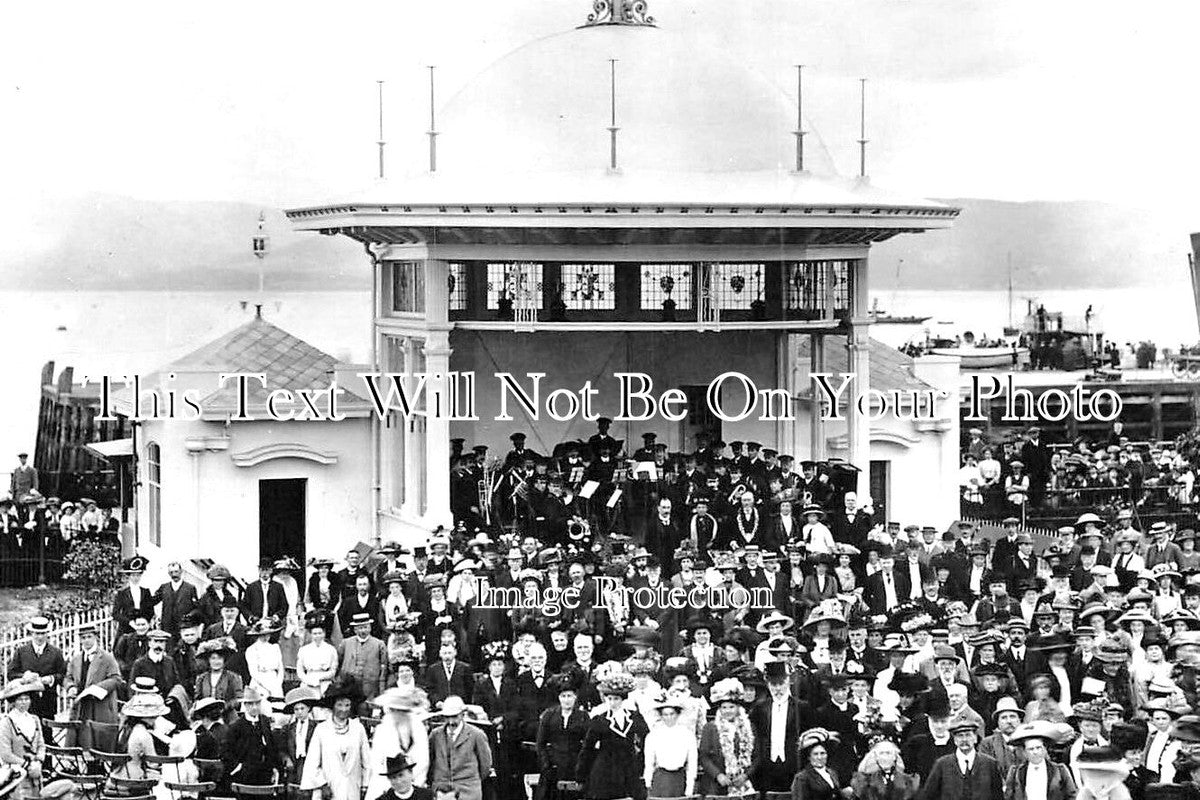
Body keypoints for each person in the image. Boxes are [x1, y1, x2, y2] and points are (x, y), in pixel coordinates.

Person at [300, 676, 372, 800]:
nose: (344, 709)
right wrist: (322, 785)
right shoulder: (322, 729)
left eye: (347, 705)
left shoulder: (358, 728)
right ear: (333, 706)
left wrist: (365, 786)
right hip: (329, 789)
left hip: (352, 789)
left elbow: (367, 761)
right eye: (339, 705)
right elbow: (312, 763)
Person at [63, 623, 122, 750]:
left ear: (96, 637)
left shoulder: (106, 658)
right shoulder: (76, 659)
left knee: (99, 742)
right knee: (80, 740)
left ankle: (98, 761)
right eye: (83, 638)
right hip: (81, 706)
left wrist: (97, 688)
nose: (86, 640)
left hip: (100, 705)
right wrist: (71, 687)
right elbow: (68, 677)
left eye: (89, 637)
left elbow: (116, 679)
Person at [365, 686, 430, 800]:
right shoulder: (382, 730)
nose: (399, 714)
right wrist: (393, 786)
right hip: (386, 784)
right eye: (396, 710)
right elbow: (377, 763)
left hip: (414, 784)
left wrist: (412, 784)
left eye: (403, 711)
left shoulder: (418, 728)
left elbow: (423, 761)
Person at [697, 677, 757, 797]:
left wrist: (745, 775)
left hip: (742, 783)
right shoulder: (710, 727)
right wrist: (718, 775)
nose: (727, 711)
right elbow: (704, 756)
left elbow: (757, 756)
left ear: (738, 708)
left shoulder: (749, 727)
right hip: (715, 784)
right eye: (724, 708)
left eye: (731, 707)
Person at [535, 673, 589, 800]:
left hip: (575, 766)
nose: (566, 700)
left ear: (575, 697)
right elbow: (540, 743)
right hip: (553, 767)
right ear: (559, 698)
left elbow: (588, 744)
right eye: (563, 696)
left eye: (569, 696)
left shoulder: (583, 716)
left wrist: (582, 766)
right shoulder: (549, 715)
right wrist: (546, 764)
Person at [427, 696, 492, 800]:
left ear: (462, 714)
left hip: (468, 792)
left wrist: (470, 781)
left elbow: (485, 765)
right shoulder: (435, 735)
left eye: (454, 717)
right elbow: (430, 761)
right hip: (442, 793)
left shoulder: (477, 735)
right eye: (447, 717)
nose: (451, 722)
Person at [920, 720, 1003, 800]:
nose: (964, 739)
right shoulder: (942, 764)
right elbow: (928, 795)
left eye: (968, 735)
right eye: (960, 736)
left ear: (975, 738)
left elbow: (998, 796)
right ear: (955, 740)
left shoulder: (989, 763)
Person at [5, 617, 65, 725]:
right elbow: (11, 673)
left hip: (47, 701)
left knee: (46, 731)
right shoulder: (21, 652)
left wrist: (51, 679)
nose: (40, 637)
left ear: (47, 633)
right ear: (31, 633)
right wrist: (24, 677)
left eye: (43, 633)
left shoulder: (56, 653)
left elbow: (62, 675)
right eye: (37, 633)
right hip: (26, 702)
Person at [1003, 720, 1078, 800]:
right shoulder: (1016, 772)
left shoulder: (1059, 770)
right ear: (1025, 752)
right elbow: (1008, 797)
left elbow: (1071, 795)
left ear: (1045, 749)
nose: (1035, 752)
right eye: (1031, 749)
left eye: (1038, 748)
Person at [224, 688, 282, 786]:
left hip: (265, 773)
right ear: (245, 705)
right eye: (251, 704)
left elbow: (271, 746)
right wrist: (238, 766)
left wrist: (274, 767)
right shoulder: (236, 726)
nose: (254, 707)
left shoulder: (265, 722)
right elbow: (227, 751)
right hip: (244, 775)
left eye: (257, 703)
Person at [642, 696, 698, 797]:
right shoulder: (653, 735)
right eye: (665, 715)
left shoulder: (687, 734)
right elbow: (649, 762)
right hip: (661, 778)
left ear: (677, 714)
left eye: (672, 714)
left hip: (679, 778)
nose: (669, 717)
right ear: (661, 716)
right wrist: (648, 782)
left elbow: (692, 762)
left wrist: (690, 787)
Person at [0, 677, 44, 800]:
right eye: (20, 699)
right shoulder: (7, 722)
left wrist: (38, 762)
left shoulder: (34, 719)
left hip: (35, 772)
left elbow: (41, 745)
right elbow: (5, 754)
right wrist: (27, 765)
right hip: (16, 773)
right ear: (13, 702)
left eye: (27, 699)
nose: (24, 702)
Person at [116, 691, 169, 781]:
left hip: (117, 776)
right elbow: (153, 763)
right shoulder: (144, 734)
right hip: (134, 779)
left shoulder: (124, 729)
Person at [338, 613, 388, 706]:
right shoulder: (346, 643)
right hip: (349, 686)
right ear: (355, 630)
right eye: (360, 628)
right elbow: (339, 662)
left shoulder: (379, 644)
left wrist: (381, 687)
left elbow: (384, 666)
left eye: (365, 627)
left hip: (370, 686)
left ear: (370, 628)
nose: (363, 631)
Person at [850, 739, 920, 800]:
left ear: (895, 757)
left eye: (888, 753)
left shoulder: (910, 782)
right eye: (881, 753)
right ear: (876, 757)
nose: (884, 758)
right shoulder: (863, 783)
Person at [279, 687, 321, 786]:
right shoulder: (288, 729)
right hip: (293, 763)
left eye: (302, 708)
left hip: (310, 763)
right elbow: (282, 748)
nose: (299, 712)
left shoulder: (316, 727)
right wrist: (287, 759)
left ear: (308, 709)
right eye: (296, 709)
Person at [790, 727, 846, 800]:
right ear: (809, 757)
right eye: (815, 754)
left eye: (822, 753)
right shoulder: (802, 778)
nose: (819, 757)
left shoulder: (832, 773)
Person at [244, 616, 285, 711]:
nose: (266, 637)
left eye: (268, 634)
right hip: (260, 681)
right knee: (261, 707)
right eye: (263, 634)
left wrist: (277, 684)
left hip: (274, 680)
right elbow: (253, 672)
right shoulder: (252, 649)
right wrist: (268, 686)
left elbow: (280, 668)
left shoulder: (275, 647)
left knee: (277, 708)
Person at [295, 611, 339, 696]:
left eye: (320, 633)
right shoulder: (304, 650)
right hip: (308, 681)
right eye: (315, 634)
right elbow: (300, 670)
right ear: (311, 634)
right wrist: (307, 679)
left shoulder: (331, 649)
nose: (317, 636)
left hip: (325, 682)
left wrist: (320, 677)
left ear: (324, 634)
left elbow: (333, 670)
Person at [156, 562, 199, 637]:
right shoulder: (164, 587)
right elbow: (152, 601)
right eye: (171, 572)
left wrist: (189, 616)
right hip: (167, 627)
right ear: (168, 574)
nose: (174, 574)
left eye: (176, 571)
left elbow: (196, 607)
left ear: (181, 571)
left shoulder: (190, 588)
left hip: (183, 627)